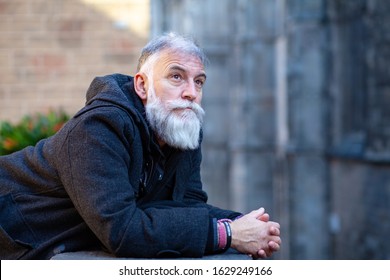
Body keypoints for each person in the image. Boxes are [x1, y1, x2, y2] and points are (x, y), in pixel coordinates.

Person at [0, 33, 281, 260]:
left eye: (199, 82)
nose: (191, 93)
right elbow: (121, 230)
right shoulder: (98, 128)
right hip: (13, 238)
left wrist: (248, 225)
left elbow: (187, 205)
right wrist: (228, 233)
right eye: (176, 76)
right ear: (142, 86)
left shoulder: (180, 129)